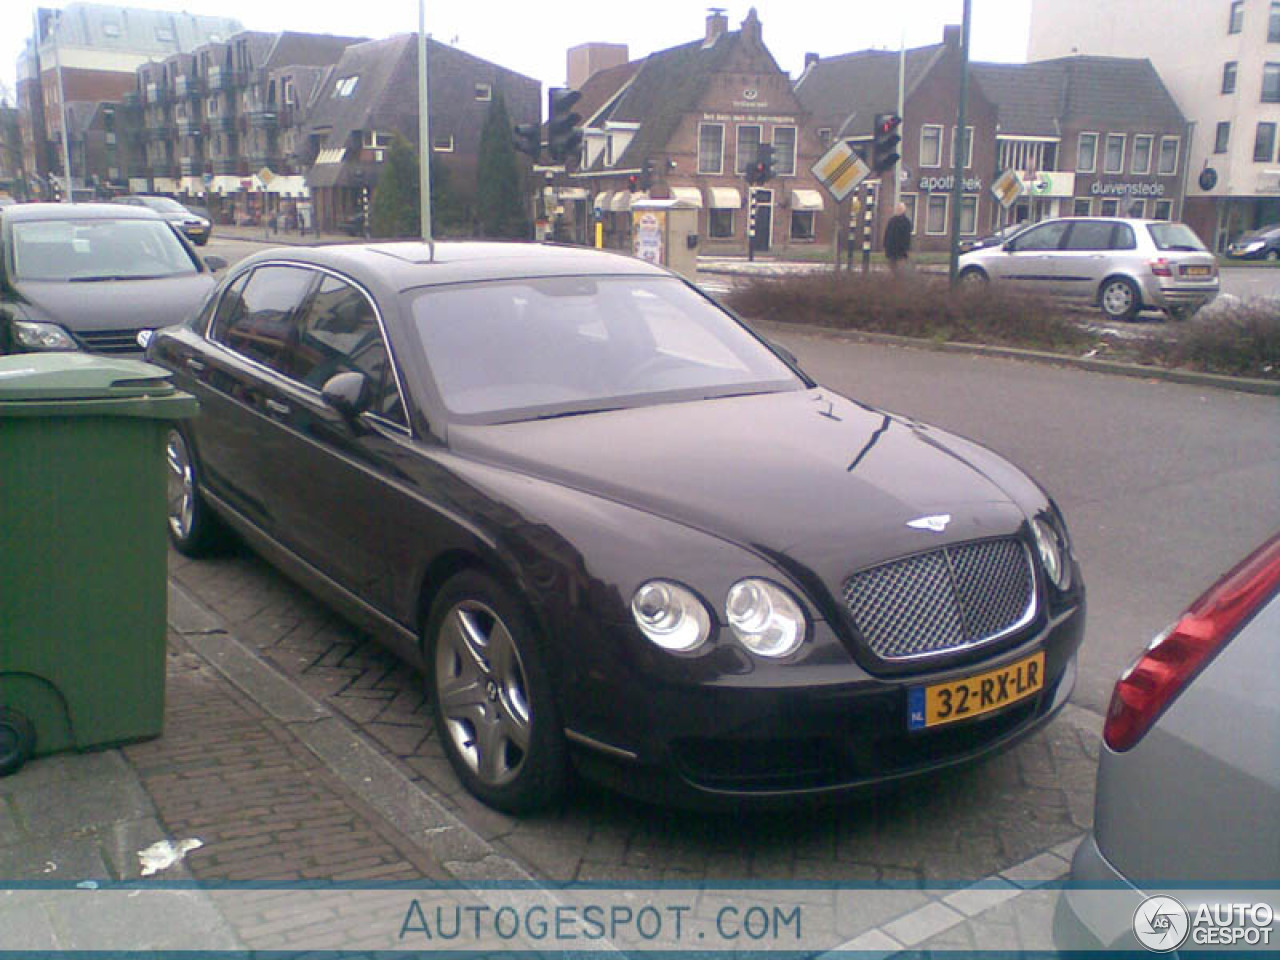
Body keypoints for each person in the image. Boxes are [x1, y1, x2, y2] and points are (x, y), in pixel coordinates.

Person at [884, 202, 913, 274]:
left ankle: (899, 282)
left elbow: (907, 237)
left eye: (901, 209)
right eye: (898, 208)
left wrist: (905, 248)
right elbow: (887, 233)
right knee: (892, 268)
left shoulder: (906, 222)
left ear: (904, 210)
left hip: (901, 250)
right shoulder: (892, 221)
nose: (899, 210)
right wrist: (885, 244)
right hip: (891, 250)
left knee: (900, 269)